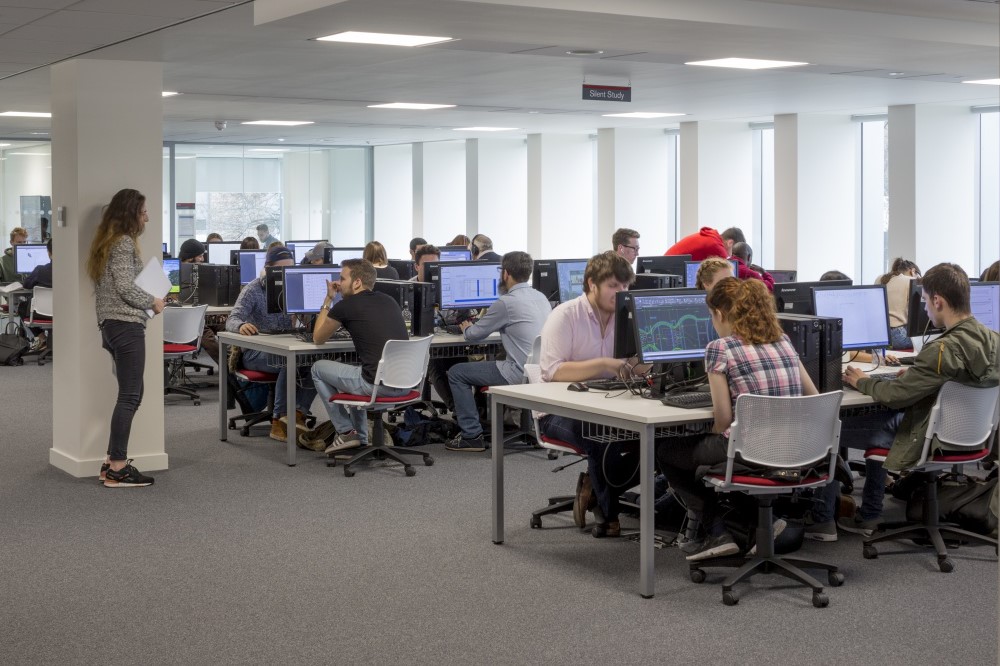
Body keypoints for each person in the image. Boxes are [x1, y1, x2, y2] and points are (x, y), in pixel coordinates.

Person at [810, 263, 999, 539]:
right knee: (883, 419)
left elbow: (896, 396)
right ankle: (870, 514)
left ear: (938, 301)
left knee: (830, 425)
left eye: (924, 301)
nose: (924, 309)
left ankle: (823, 521)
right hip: (971, 435)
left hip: (927, 437)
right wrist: (916, 374)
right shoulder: (993, 340)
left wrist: (860, 380)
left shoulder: (942, 349)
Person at [656, 277, 819, 560]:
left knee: (669, 451)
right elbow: (814, 396)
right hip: (796, 447)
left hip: (752, 448)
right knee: (709, 456)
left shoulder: (720, 349)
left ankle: (718, 531)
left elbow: (722, 420)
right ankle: (754, 526)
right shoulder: (783, 341)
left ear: (719, 314)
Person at [538, 251, 639, 538]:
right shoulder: (566, 315)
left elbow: (633, 365)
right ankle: (609, 517)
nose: (620, 293)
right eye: (613, 286)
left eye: (625, 287)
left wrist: (644, 361)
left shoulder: (626, 315)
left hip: (610, 404)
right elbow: (553, 371)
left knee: (655, 440)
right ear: (592, 284)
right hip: (558, 410)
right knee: (600, 437)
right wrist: (605, 365)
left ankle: (595, 487)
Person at [86, 188, 164, 487]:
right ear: (130, 213)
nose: (147, 217)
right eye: (143, 211)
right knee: (130, 395)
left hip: (115, 325)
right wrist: (153, 302)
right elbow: (124, 288)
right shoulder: (122, 243)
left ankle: (110, 462)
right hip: (124, 326)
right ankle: (118, 467)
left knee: (135, 392)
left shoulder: (112, 242)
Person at [445, 251, 551, 451]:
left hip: (517, 372)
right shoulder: (541, 297)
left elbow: (473, 335)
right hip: (540, 371)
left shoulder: (506, 303)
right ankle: (528, 429)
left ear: (505, 274)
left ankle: (471, 435)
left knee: (457, 372)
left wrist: (466, 326)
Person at [310, 259, 411, 453]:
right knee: (356, 370)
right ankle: (360, 440)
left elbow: (318, 337)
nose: (338, 284)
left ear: (357, 282)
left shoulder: (346, 306)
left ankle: (347, 431)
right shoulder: (389, 300)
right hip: (404, 384)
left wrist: (328, 299)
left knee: (317, 368)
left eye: (342, 278)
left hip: (376, 386)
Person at [226, 244, 317, 442]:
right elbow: (231, 319)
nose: (286, 273)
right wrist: (241, 325)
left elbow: (307, 319)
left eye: (290, 269)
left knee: (315, 364)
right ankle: (278, 420)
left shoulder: (293, 287)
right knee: (288, 361)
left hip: (287, 345)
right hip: (255, 352)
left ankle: (297, 416)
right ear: (269, 268)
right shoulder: (254, 288)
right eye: (281, 269)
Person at [175, 238, 221, 363]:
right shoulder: (176, 272)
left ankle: (238, 364)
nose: (203, 259)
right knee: (208, 338)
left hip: (203, 315)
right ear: (190, 258)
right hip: (186, 320)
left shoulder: (202, 272)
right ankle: (230, 373)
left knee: (228, 328)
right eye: (200, 256)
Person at [876, 258, 921, 350]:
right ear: (913, 271)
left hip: (878, 334)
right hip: (898, 337)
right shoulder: (911, 280)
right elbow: (915, 316)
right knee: (931, 338)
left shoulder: (880, 278)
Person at [23, 238, 53, 352]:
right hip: (64, 313)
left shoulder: (40, 270)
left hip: (40, 315)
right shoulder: (70, 271)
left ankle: (42, 338)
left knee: (22, 307)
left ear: (49, 253)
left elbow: (26, 284)